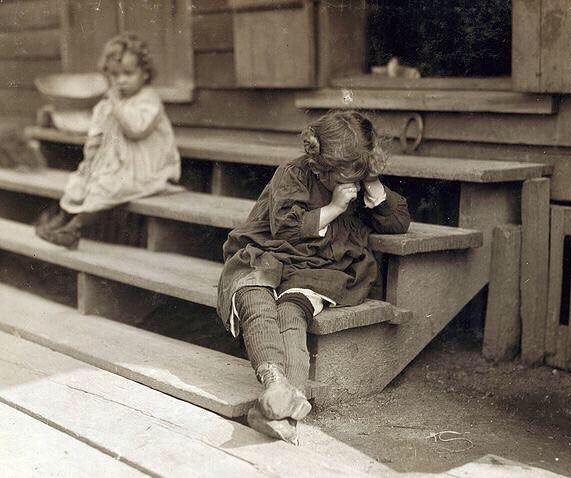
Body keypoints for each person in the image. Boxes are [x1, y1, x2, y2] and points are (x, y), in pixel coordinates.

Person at [218, 110, 411, 443]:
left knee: (291, 311)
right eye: (348, 171)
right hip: (271, 252)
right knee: (254, 295)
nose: (355, 177)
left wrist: (373, 182)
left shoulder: (359, 181)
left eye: (361, 169)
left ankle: (284, 403)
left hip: (321, 269)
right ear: (321, 164)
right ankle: (276, 383)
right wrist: (335, 207)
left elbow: (397, 222)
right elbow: (287, 229)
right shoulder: (292, 173)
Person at [36, 33, 181, 249]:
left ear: (145, 73)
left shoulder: (149, 100)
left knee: (108, 185)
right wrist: (89, 161)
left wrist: (116, 106)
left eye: (128, 73)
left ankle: (74, 228)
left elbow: (136, 130)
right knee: (81, 179)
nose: (121, 80)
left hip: (144, 165)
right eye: (114, 75)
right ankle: (62, 220)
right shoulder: (107, 104)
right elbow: (95, 135)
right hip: (115, 161)